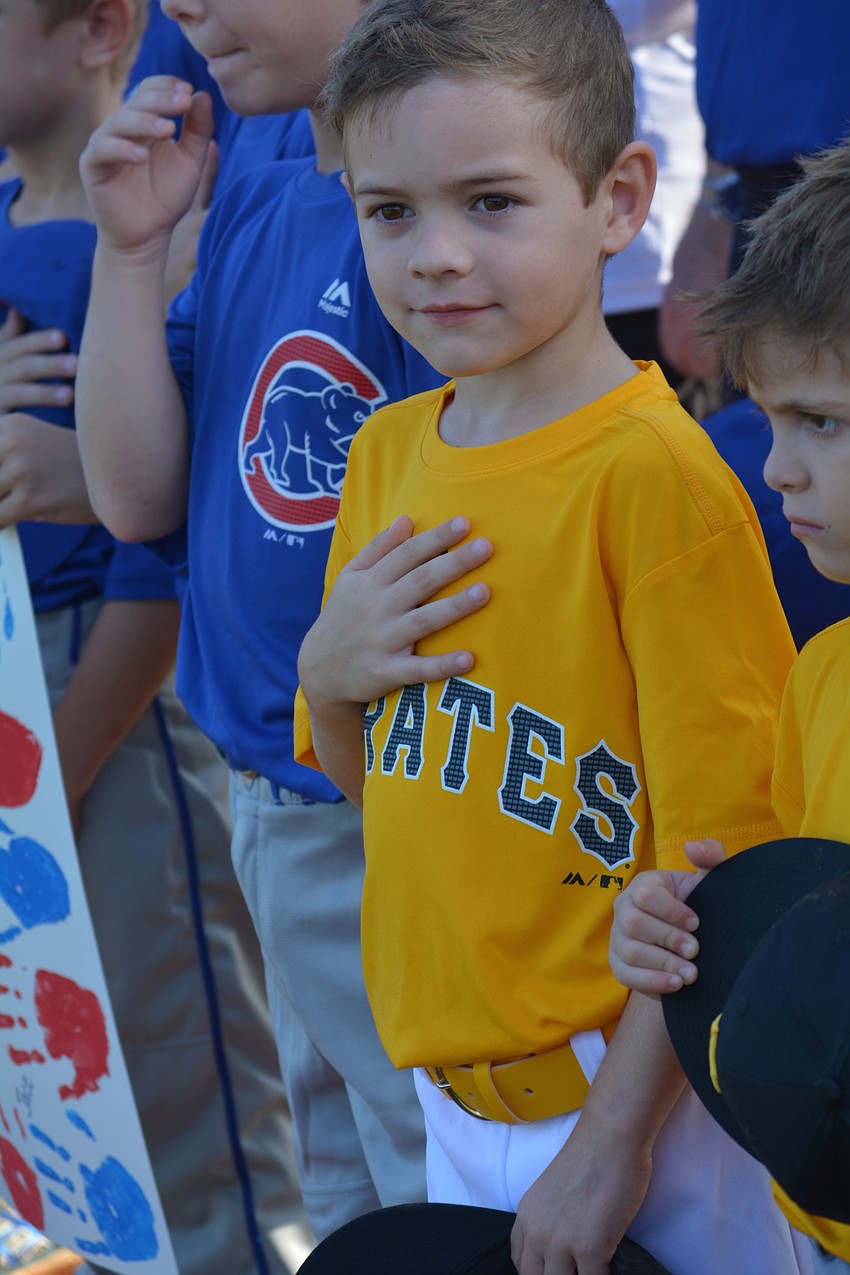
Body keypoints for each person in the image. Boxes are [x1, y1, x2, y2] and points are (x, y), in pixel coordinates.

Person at [293, 3, 815, 1273]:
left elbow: (725, 866)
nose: (436, 256)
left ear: (618, 198)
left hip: (651, 1108)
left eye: (491, 201)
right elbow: (390, 796)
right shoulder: (386, 453)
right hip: (452, 1090)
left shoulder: (654, 480)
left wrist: (613, 1141)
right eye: (389, 211)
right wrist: (327, 678)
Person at [74, 0, 440, 1241]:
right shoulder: (256, 188)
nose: (183, 6)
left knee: (433, 1203)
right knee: (343, 1206)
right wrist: (130, 256)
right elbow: (136, 498)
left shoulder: (432, 231)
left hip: (389, 818)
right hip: (269, 807)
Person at [0, 1, 312, 1272]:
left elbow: (153, 561)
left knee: (175, 1068)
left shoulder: (145, 230)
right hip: (30, 713)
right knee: (64, 1088)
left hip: (110, 724)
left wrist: (57, 769)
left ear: (99, 28)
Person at [607, 140, 850, 1268]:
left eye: (823, 423)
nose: (777, 469)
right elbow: (808, 935)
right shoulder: (822, 673)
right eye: (770, 420)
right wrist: (702, 921)